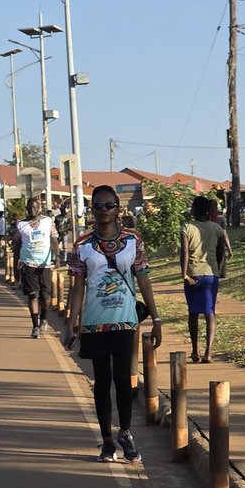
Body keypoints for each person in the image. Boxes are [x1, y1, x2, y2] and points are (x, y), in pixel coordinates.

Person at [63, 184, 162, 463]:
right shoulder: (82, 245)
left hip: (125, 321)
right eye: (98, 206)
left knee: (123, 380)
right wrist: (72, 323)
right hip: (94, 322)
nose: (104, 210)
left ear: (119, 209)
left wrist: (156, 318)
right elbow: (78, 286)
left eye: (109, 205)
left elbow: (143, 279)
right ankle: (107, 440)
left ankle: (126, 433)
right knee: (102, 382)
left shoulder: (133, 240)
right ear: (91, 209)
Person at [181, 195, 226, 364]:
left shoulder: (187, 227)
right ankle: (208, 352)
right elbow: (220, 251)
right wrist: (218, 268)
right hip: (210, 274)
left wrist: (184, 274)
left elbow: (185, 252)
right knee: (210, 312)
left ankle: (194, 351)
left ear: (194, 209)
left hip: (192, 274)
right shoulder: (216, 228)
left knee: (193, 313)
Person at [13, 196, 59, 337]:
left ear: (39, 208)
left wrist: (57, 257)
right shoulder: (21, 225)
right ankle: (35, 327)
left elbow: (54, 239)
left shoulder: (47, 221)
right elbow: (17, 246)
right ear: (26, 209)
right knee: (33, 295)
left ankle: (43, 318)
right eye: (30, 207)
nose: (33, 210)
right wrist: (16, 266)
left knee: (45, 296)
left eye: (35, 207)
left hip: (44, 264)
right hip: (28, 263)